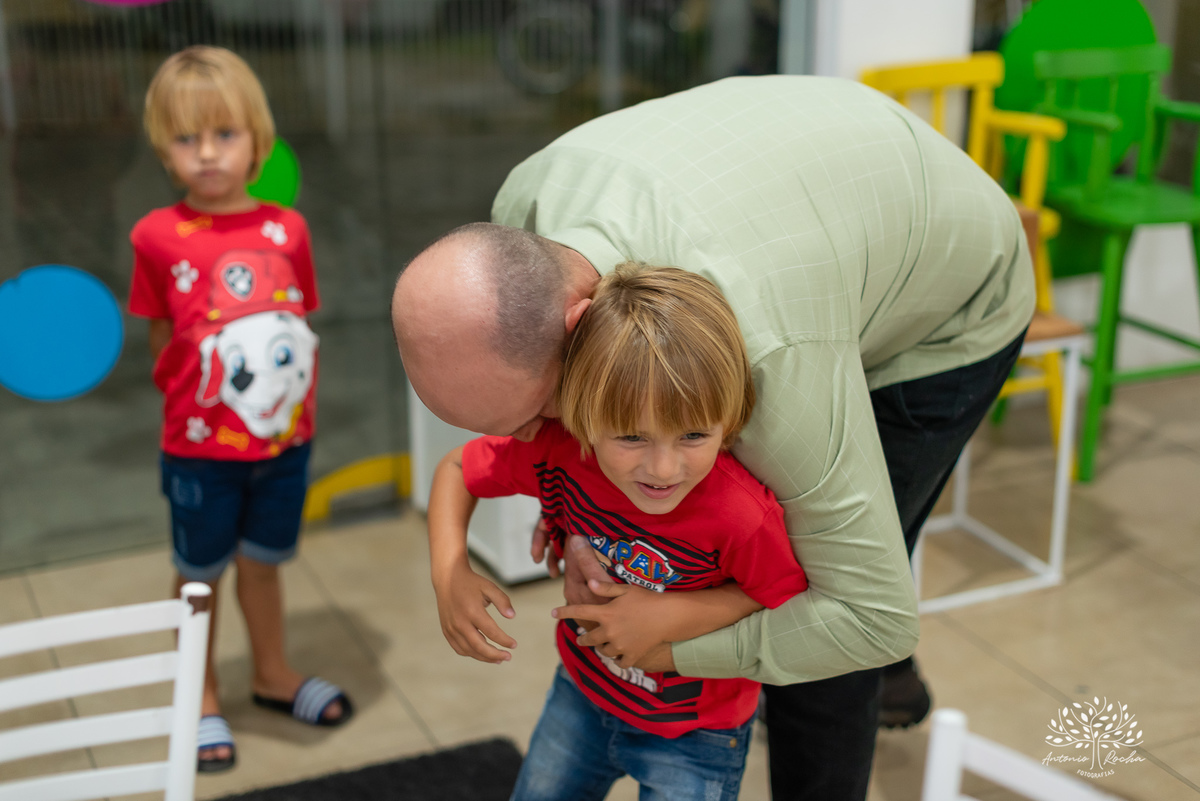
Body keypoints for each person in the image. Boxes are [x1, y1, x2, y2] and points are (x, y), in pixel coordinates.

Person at [393, 75, 1033, 800]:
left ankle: (865, 686)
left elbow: (873, 618)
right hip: (812, 217)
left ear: (575, 326)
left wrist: (679, 640)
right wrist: (575, 512)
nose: (535, 438)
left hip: (950, 301)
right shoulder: (526, 212)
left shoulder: (768, 365)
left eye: (532, 417)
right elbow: (533, 444)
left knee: (826, 658)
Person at [428, 262, 809, 801]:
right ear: (581, 414)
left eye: (694, 435)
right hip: (580, 697)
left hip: (696, 737)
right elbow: (456, 471)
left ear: (731, 417)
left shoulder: (741, 513)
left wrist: (671, 615)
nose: (663, 468)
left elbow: (782, 597)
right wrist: (449, 573)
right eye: (632, 437)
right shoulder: (559, 450)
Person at [128, 46, 351, 773]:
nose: (206, 153)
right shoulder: (155, 236)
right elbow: (164, 332)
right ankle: (200, 694)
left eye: (223, 134)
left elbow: (295, 322)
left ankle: (271, 673)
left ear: (257, 137)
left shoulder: (289, 229)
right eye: (186, 138)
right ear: (164, 147)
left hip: (285, 445)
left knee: (264, 562)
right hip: (200, 451)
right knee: (201, 570)